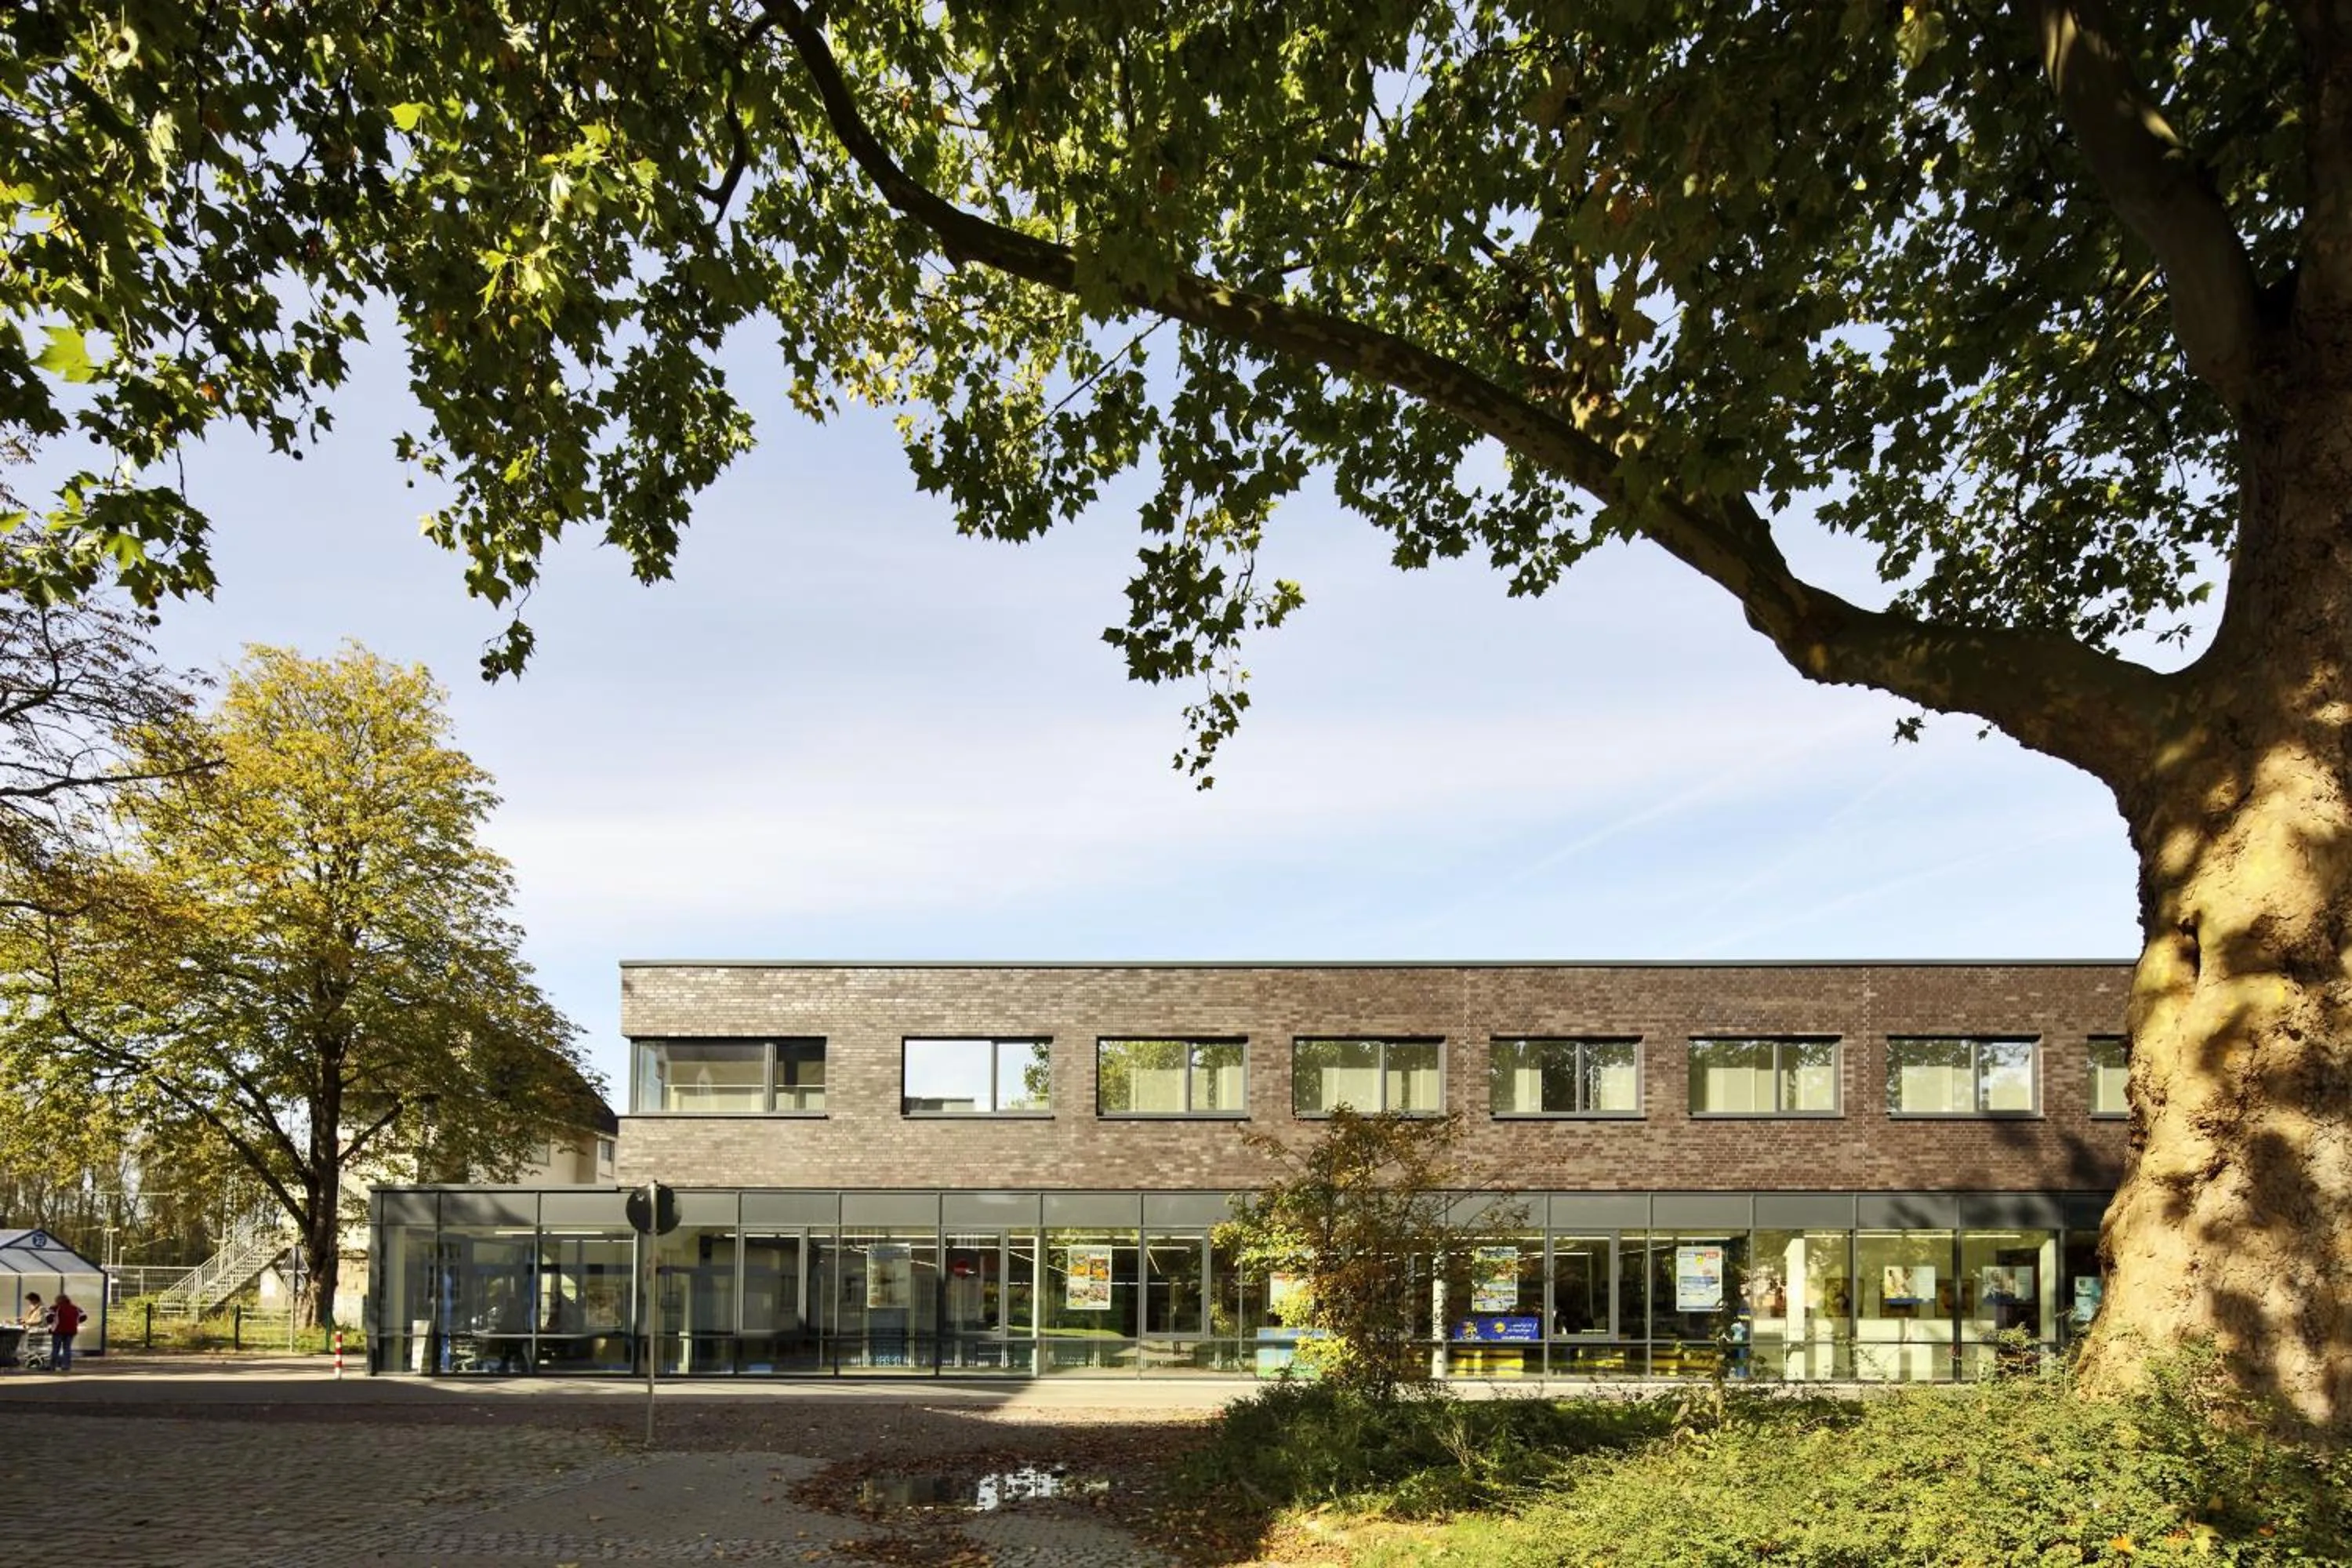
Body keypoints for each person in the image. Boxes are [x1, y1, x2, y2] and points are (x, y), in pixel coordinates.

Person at [49, 1290, 82, 1373]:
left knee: (56, 1349)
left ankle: (53, 1366)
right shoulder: (75, 1308)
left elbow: (49, 1318)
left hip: (58, 1330)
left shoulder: (55, 1308)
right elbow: (84, 1316)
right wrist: (76, 1322)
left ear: (58, 1300)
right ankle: (66, 1366)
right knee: (67, 1349)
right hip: (71, 1331)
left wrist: (52, 1325)